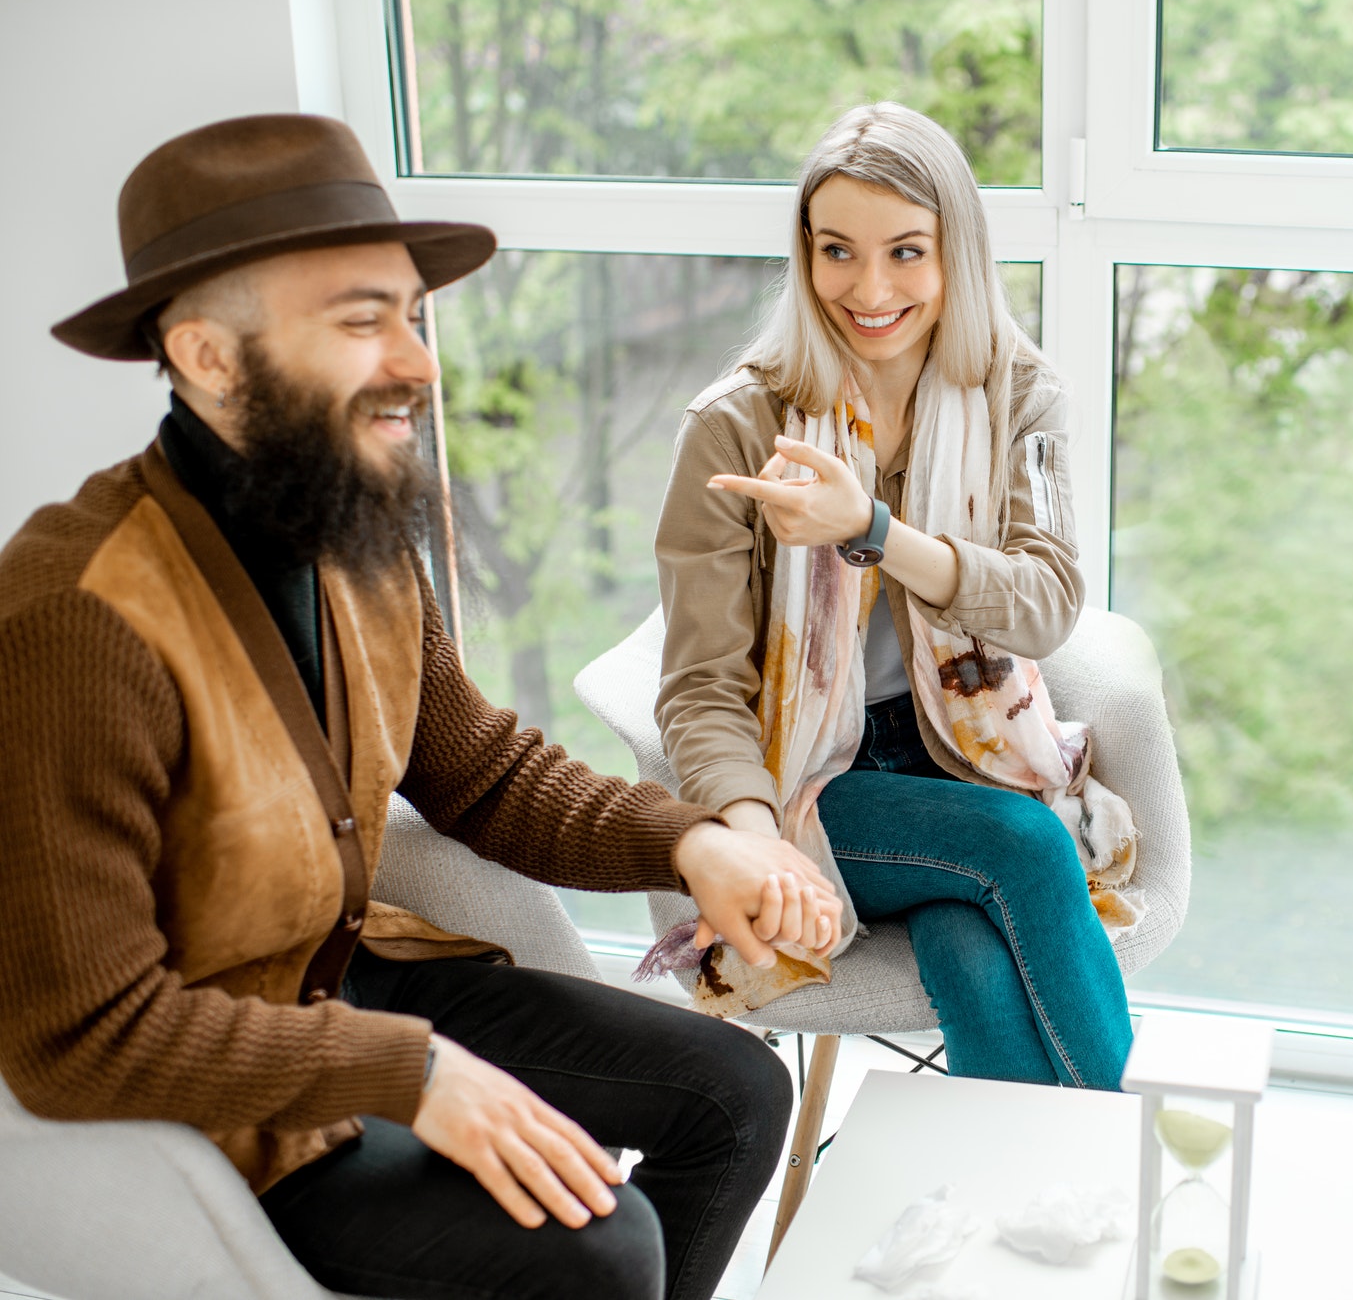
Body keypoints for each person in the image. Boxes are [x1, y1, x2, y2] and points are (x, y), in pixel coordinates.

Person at [0, 114, 847, 1300]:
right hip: (216, 1091)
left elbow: (479, 772)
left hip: (347, 978)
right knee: (607, 1252)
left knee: (735, 1093)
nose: (419, 362)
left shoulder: (352, 527)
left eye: (412, 314)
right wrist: (411, 1074)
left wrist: (689, 839)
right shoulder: (73, 617)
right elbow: (78, 1034)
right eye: (361, 321)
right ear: (206, 355)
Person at [650, 102, 1140, 1089]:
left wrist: (870, 533)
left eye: (905, 252)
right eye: (837, 252)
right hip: (808, 782)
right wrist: (752, 842)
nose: (868, 290)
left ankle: (1003, 1210)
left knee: (967, 949)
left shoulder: (1020, 396)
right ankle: (1115, 1165)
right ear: (805, 256)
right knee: (1024, 846)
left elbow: (1045, 605)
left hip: (972, 752)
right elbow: (699, 691)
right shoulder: (734, 429)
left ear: (955, 250)